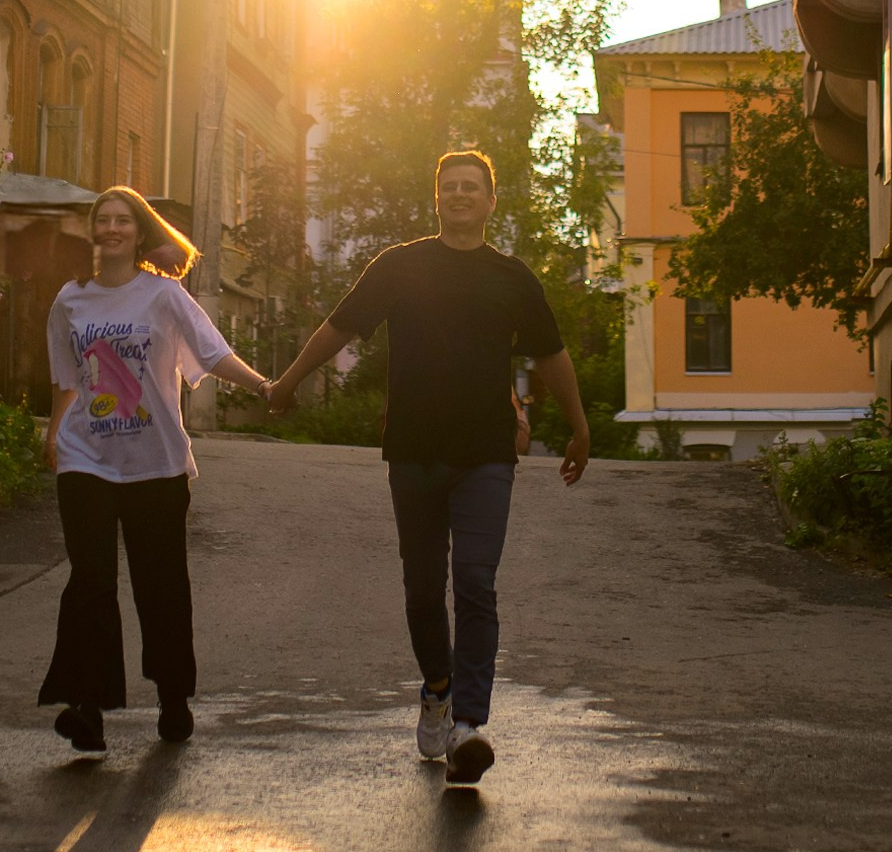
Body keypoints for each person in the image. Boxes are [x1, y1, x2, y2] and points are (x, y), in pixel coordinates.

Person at [265, 145, 591, 785]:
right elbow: (340, 325)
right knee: (421, 589)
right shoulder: (401, 267)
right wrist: (289, 380)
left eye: (473, 187)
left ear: (490, 201)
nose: (462, 195)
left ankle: (469, 724)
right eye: (451, 187)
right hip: (412, 450)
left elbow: (552, 354)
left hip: (486, 454)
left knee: (474, 579)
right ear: (437, 197)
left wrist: (580, 427)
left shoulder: (512, 278)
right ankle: (437, 687)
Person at [39, 184, 271, 757]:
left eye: (123, 220)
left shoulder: (164, 297)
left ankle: (173, 696)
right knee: (89, 583)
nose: (112, 229)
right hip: (85, 459)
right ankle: (87, 709)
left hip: (156, 463)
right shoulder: (71, 300)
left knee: (160, 584)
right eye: (103, 220)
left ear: (139, 232)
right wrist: (52, 432)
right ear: (93, 231)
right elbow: (67, 379)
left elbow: (212, 354)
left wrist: (265, 386)